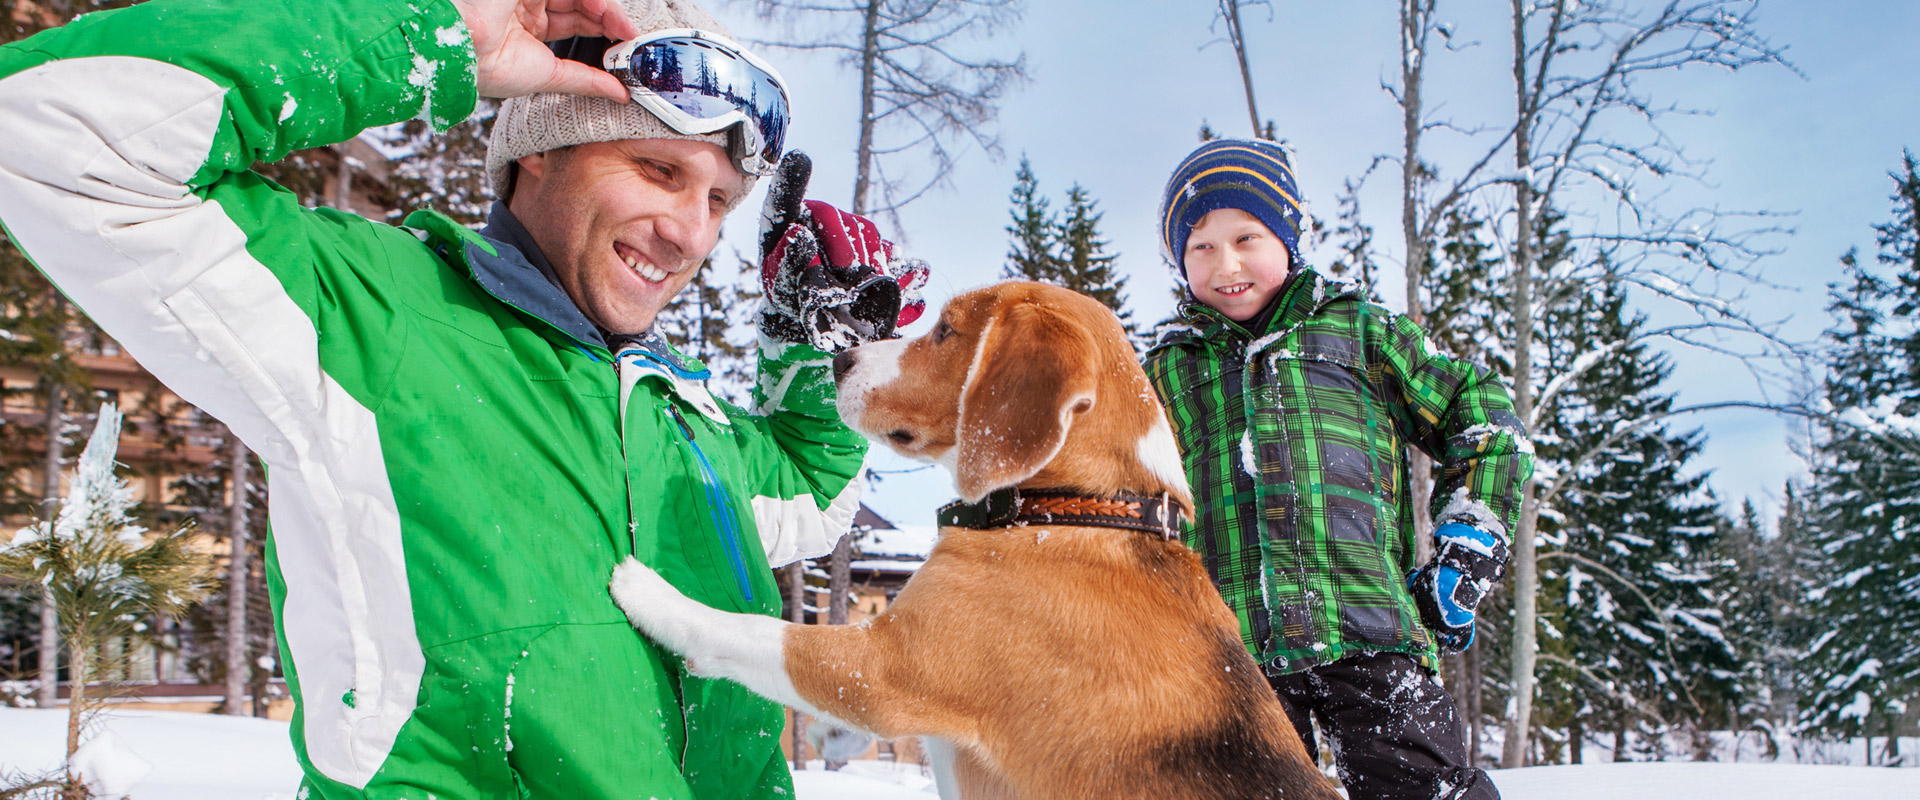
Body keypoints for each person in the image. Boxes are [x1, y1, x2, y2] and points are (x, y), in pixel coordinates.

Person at [0, 0, 926, 796]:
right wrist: (431, 34)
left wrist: (811, 343)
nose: (690, 232)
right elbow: (45, 127)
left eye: (720, 201)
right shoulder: (371, 315)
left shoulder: (682, 410)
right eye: (659, 170)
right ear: (541, 152)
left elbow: (813, 494)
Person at [1143, 138, 1533, 800]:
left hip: (1372, 627)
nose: (1226, 262)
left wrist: (1471, 539)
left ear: (1289, 239)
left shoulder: (1359, 332)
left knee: (1424, 790)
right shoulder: (1165, 373)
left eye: (1247, 237)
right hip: (1232, 655)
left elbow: (1485, 421)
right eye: (1200, 246)